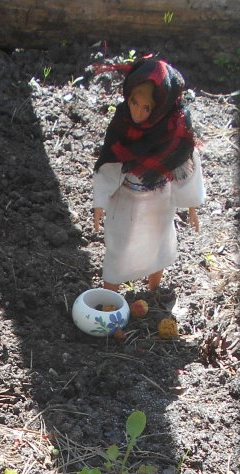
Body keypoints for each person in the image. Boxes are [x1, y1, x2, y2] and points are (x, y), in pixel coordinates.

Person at [92, 56, 205, 301]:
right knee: (118, 250)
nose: (138, 112)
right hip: (126, 200)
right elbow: (110, 162)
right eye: (134, 102)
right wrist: (100, 201)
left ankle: (153, 291)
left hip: (158, 201)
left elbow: (185, 165)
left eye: (146, 108)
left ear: (161, 106)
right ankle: (110, 298)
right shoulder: (123, 123)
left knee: (158, 247)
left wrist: (191, 205)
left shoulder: (174, 130)